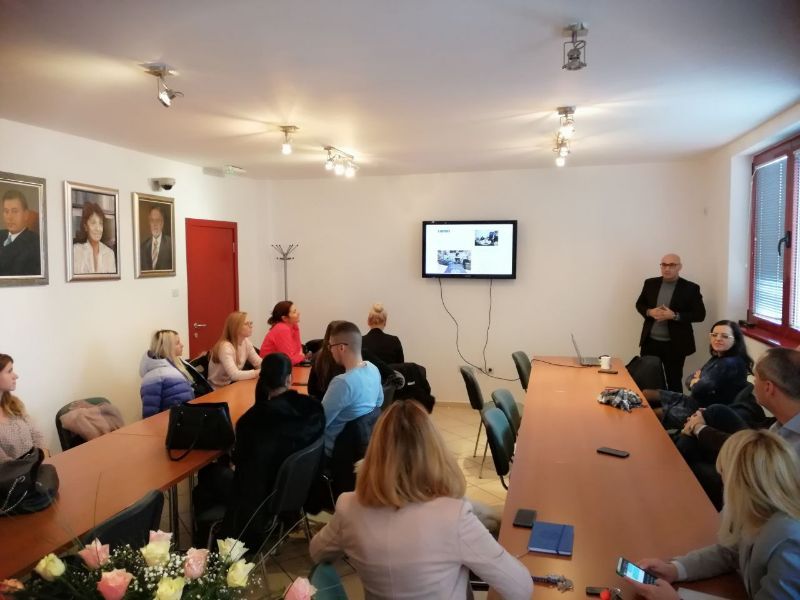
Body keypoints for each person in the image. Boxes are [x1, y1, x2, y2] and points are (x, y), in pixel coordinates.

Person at [310, 400, 533, 600]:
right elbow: (520, 588)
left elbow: (317, 552)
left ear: (374, 453)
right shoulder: (454, 516)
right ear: (435, 453)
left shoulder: (349, 507)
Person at [628, 429, 800, 599]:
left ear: (738, 485)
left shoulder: (789, 543)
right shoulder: (760, 514)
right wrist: (675, 569)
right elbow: (730, 552)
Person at [221, 352, 325, 549]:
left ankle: (208, 541)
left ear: (262, 380)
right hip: (301, 487)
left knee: (211, 476)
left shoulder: (251, 421)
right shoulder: (313, 408)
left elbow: (240, 464)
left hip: (265, 497)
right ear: (289, 379)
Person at [678, 347, 800, 509]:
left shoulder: (793, 446)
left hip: (759, 494)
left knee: (694, 468)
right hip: (757, 461)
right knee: (715, 412)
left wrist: (699, 429)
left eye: (756, 378)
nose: (753, 383)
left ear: (768, 387)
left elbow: (761, 482)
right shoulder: (784, 418)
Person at [644, 320, 752, 429]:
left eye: (725, 336)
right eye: (714, 335)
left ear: (735, 340)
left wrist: (697, 380)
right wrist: (696, 380)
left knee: (653, 414)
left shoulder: (729, 363)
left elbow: (698, 388)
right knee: (647, 394)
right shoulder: (718, 357)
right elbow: (690, 379)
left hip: (703, 412)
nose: (718, 338)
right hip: (694, 401)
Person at [636, 253, 705, 392]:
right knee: (648, 378)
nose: (667, 268)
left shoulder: (691, 288)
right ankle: (650, 405)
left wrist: (675, 316)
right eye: (664, 265)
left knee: (673, 381)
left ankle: (674, 406)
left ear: (680, 267)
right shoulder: (650, 283)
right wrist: (649, 312)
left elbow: (700, 315)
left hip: (675, 345)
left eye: (672, 265)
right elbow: (640, 304)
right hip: (650, 342)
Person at [321, 321, 383, 457]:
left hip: (334, 451)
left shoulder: (342, 383)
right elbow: (379, 402)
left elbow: (320, 422)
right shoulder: (373, 369)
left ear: (341, 347)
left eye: (330, 346)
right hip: (363, 447)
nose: (330, 350)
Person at [0, 354, 47, 461]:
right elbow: (4, 464)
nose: (16, 376)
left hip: (39, 464)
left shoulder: (14, 404)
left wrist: (44, 456)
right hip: (17, 472)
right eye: (9, 371)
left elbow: (37, 435)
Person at [139, 330, 194, 418]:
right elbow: (150, 413)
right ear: (167, 347)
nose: (182, 345)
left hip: (184, 418)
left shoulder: (178, 367)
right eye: (177, 343)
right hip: (170, 423)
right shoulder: (154, 377)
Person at [207, 311, 262, 388]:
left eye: (251, 323)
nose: (251, 326)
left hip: (231, 385)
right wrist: (258, 372)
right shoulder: (225, 347)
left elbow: (258, 362)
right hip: (217, 389)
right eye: (246, 324)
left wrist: (269, 367)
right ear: (236, 327)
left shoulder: (246, 341)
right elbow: (234, 375)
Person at [0, 190, 41, 276]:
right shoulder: (1, 234)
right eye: (6, 211)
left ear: (26, 215)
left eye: (15, 211)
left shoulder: (34, 243)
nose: (9, 217)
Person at [72, 202, 116, 274]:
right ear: (85, 226)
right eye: (93, 223)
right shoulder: (76, 250)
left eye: (100, 223)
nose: (98, 228)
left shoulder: (109, 253)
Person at [139, 205, 172, 271]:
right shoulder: (143, 247)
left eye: (158, 220)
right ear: (149, 223)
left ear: (162, 223)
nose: (155, 224)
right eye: (152, 220)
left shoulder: (171, 244)